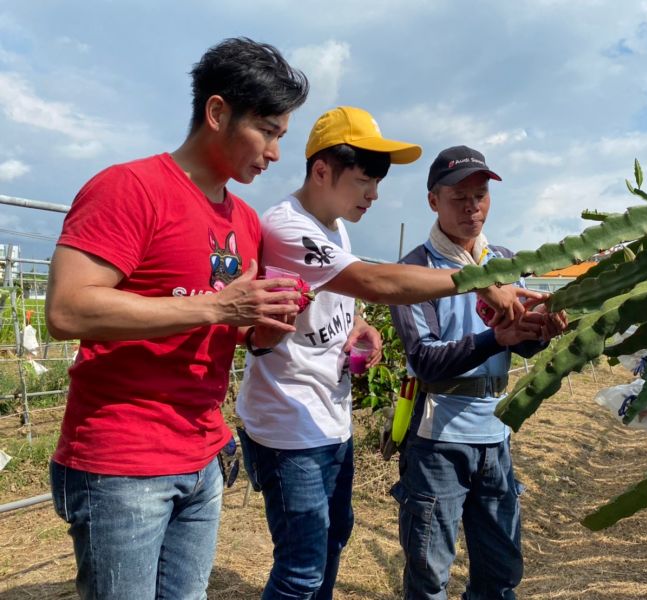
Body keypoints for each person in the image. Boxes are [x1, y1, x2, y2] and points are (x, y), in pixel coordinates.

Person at [44, 38, 309, 600]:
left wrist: (259, 328)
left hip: (202, 452)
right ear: (217, 113)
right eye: (266, 129)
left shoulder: (243, 217)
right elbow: (68, 309)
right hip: (122, 461)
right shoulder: (130, 188)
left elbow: (227, 326)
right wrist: (218, 306)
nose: (276, 152)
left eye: (282, 135)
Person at [235, 107, 532, 600]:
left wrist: (358, 325)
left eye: (377, 183)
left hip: (329, 420)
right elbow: (373, 282)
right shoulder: (288, 226)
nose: (373, 195)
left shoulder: (335, 226)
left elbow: (336, 294)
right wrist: (479, 284)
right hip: (290, 428)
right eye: (364, 182)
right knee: (302, 569)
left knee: (331, 543)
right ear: (322, 171)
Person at [388, 145, 568, 600]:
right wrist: (495, 340)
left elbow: (521, 338)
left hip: (496, 436)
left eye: (481, 194)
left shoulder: (502, 260)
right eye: (459, 196)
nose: (473, 207)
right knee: (429, 574)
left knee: (501, 570)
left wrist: (543, 331)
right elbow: (425, 358)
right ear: (433, 201)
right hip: (438, 441)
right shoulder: (412, 270)